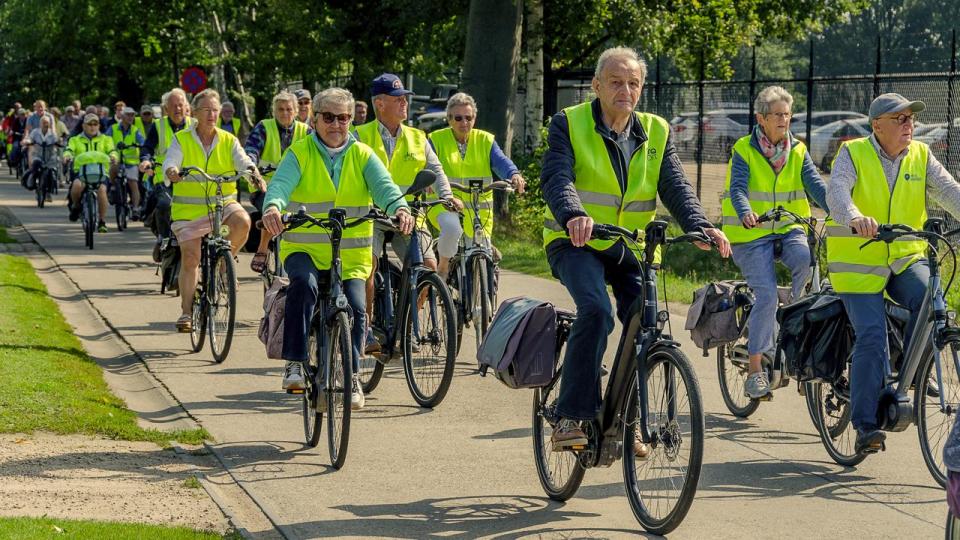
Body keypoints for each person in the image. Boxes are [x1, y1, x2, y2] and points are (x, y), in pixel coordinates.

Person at [541, 46, 731, 452]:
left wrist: (699, 224)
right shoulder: (569, 123)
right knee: (595, 309)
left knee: (645, 323)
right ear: (595, 86)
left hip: (632, 246)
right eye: (615, 82)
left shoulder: (656, 130)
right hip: (577, 241)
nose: (625, 89)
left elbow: (675, 185)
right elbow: (557, 176)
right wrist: (572, 213)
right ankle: (571, 414)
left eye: (633, 83)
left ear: (641, 88)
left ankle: (629, 420)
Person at [261, 87, 414, 408]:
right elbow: (280, 185)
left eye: (343, 118)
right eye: (328, 117)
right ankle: (294, 361)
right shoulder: (300, 153)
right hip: (304, 249)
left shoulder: (362, 154)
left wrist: (400, 208)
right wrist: (273, 207)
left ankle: (353, 375)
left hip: (350, 254)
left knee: (358, 308)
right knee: (303, 287)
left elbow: (385, 186)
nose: (336, 124)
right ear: (315, 120)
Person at [825, 93, 960, 454]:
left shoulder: (920, 154)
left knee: (932, 302)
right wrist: (853, 217)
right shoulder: (852, 153)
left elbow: (949, 191)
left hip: (903, 256)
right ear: (877, 126)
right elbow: (836, 192)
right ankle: (865, 424)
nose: (908, 125)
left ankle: (909, 372)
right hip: (859, 260)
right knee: (872, 335)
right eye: (899, 119)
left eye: (910, 120)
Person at [720, 86, 829, 399]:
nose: (784, 120)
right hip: (751, 234)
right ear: (761, 118)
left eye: (787, 114)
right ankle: (755, 371)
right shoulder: (744, 148)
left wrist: (840, 212)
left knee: (805, 265)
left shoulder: (798, 150)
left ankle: (788, 327)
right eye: (778, 115)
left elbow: (816, 187)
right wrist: (745, 212)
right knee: (766, 295)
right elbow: (738, 188)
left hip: (788, 228)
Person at [353, 73, 464, 354]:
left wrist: (447, 197)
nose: (404, 102)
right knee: (366, 267)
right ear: (379, 104)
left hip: (409, 216)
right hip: (371, 216)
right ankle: (365, 328)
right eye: (397, 98)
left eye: (405, 98)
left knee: (428, 267)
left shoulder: (418, 137)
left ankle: (408, 323)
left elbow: (436, 170)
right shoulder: (359, 136)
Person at [162, 89, 264, 332]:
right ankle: (186, 313)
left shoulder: (228, 139)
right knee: (191, 258)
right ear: (194, 113)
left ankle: (222, 263)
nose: (212, 114)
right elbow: (170, 161)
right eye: (206, 110)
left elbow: (243, 160)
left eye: (215, 110)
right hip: (189, 211)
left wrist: (253, 173)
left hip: (222, 204)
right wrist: (172, 172)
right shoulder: (182, 138)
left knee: (243, 222)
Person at [426, 92, 526, 277]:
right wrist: (428, 179)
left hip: (478, 208)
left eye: (468, 117)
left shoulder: (485, 140)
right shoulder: (436, 139)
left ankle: (485, 296)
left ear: (474, 118)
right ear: (449, 119)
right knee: (453, 229)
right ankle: (444, 266)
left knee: (483, 253)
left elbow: (501, 161)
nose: (464, 122)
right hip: (445, 205)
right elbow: (425, 164)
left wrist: (514, 174)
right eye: (458, 118)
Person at [244, 91, 311, 273]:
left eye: (289, 109)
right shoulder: (264, 127)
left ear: (296, 111)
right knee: (272, 206)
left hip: (296, 190)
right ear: (274, 111)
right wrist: (252, 167)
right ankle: (263, 248)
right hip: (264, 187)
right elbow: (251, 149)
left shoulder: (306, 131)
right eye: (280, 109)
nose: (284, 113)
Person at [140, 89, 196, 262]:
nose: (178, 109)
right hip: (163, 178)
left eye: (181, 105)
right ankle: (164, 239)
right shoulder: (159, 126)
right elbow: (148, 148)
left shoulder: (195, 124)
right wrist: (145, 161)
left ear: (187, 107)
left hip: (191, 179)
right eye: (173, 106)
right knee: (165, 205)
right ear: (166, 108)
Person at [64, 113, 119, 232]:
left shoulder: (106, 139)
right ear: (84, 126)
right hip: (81, 171)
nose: (92, 127)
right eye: (89, 124)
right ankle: (76, 206)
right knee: (77, 185)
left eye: (95, 124)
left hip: (100, 172)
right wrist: (67, 156)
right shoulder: (75, 139)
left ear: (99, 125)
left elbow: (112, 151)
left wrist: (114, 156)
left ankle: (102, 221)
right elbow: (69, 150)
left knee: (102, 190)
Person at [106, 107, 146, 220]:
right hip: (117, 160)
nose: (131, 117)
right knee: (113, 169)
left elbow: (142, 141)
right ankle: (113, 187)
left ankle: (135, 208)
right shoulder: (113, 128)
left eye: (132, 115)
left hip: (131, 162)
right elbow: (106, 139)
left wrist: (142, 145)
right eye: (128, 115)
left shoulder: (135, 130)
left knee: (133, 183)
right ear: (122, 116)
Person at [23, 115, 60, 200]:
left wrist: (59, 143)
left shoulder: (52, 133)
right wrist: (27, 141)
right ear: (40, 124)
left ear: (49, 124)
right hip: (38, 155)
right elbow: (30, 138)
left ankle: (49, 192)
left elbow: (57, 141)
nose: (45, 124)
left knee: (51, 172)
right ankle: (32, 183)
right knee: (35, 167)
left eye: (47, 123)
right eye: (43, 123)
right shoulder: (35, 132)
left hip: (49, 157)